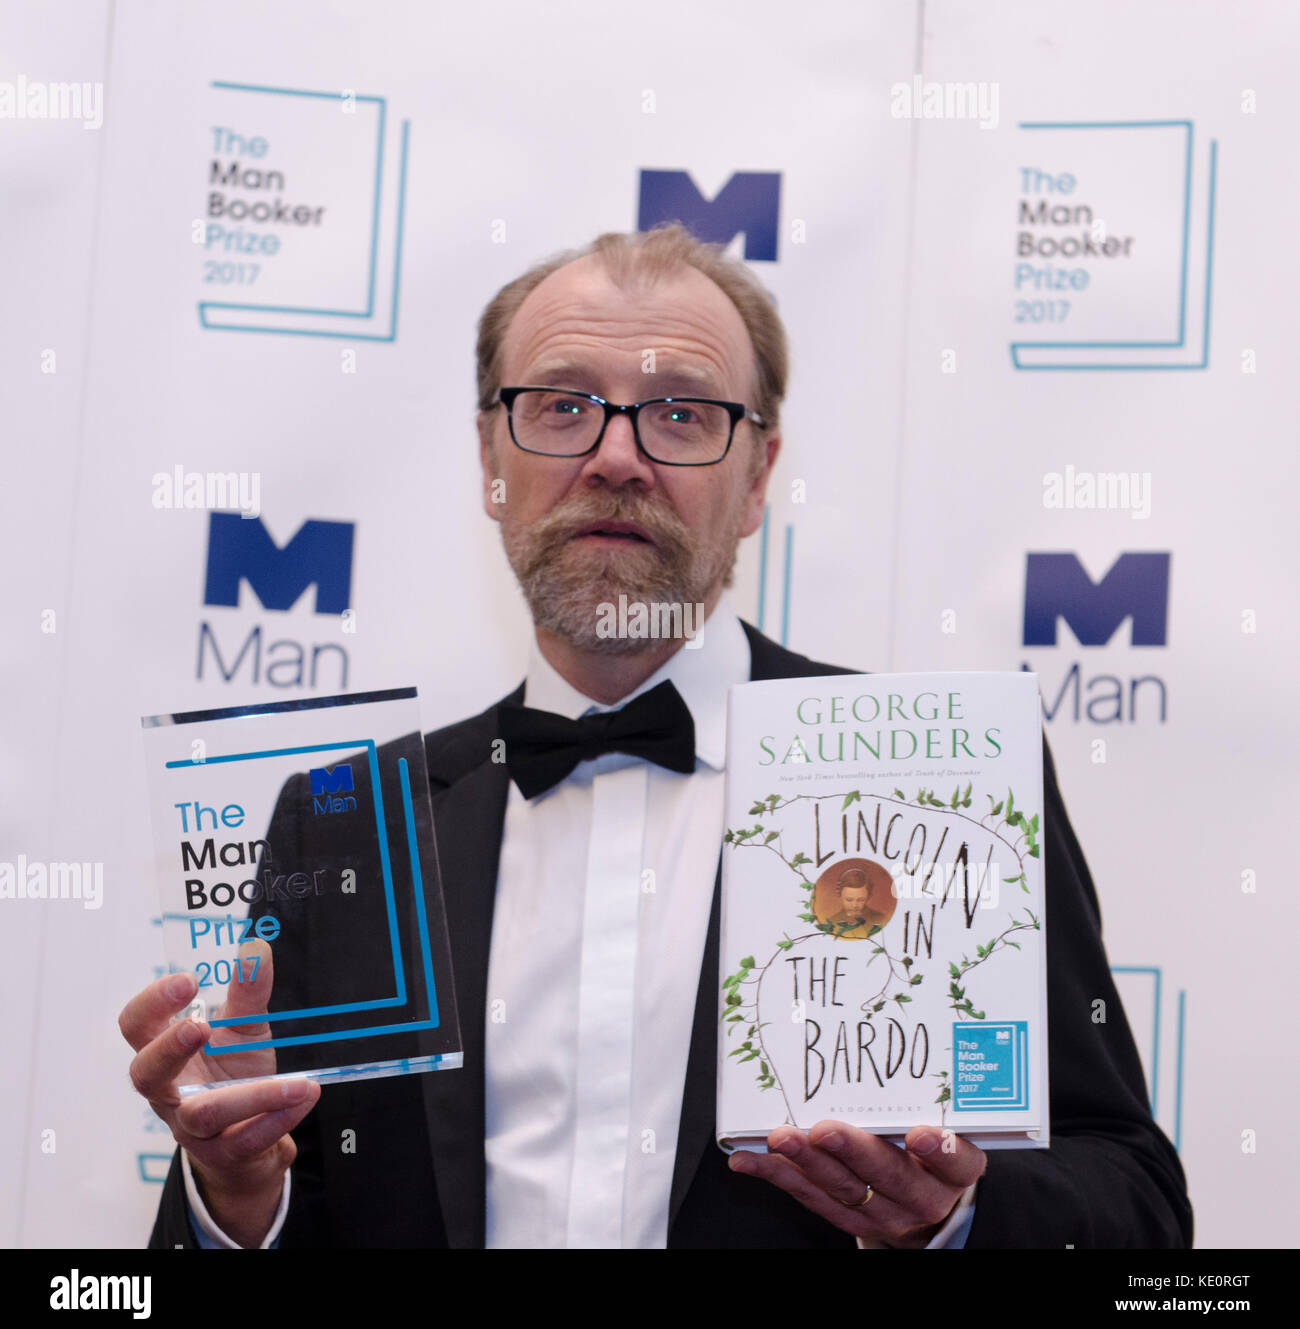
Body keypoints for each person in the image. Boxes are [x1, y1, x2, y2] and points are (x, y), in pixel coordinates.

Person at [123, 222, 1193, 1249]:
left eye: (680, 414)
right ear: (491, 457)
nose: (617, 457)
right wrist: (236, 1193)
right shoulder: (344, 827)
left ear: (758, 476)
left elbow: (1129, 1195)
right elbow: (287, 1211)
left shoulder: (941, 777)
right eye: (560, 406)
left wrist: (948, 1216)